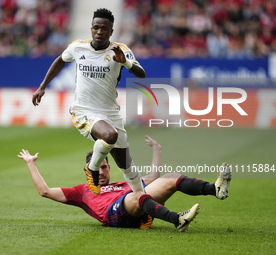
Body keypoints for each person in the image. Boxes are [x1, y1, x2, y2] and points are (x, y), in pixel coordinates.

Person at [32, 8, 146, 195]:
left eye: (104, 28)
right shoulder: (78, 47)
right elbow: (60, 60)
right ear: (91, 28)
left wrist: (125, 62)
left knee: (126, 165)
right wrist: (42, 86)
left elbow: (141, 74)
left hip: (111, 112)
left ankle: (142, 202)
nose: (99, 31)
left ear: (111, 31)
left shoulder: (120, 50)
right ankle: (91, 168)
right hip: (84, 110)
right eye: (96, 27)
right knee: (109, 136)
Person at [17, 135, 232, 231]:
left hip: (133, 203)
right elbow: (44, 191)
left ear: (109, 168)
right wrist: (30, 163)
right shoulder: (81, 192)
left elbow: (154, 178)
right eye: (96, 168)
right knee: (137, 195)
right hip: (114, 214)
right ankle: (177, 219)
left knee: (171, 177)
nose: (100, 172)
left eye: (104, 167)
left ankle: (216, 190)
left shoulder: (122, 184)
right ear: (88, 171)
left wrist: (157, 150)